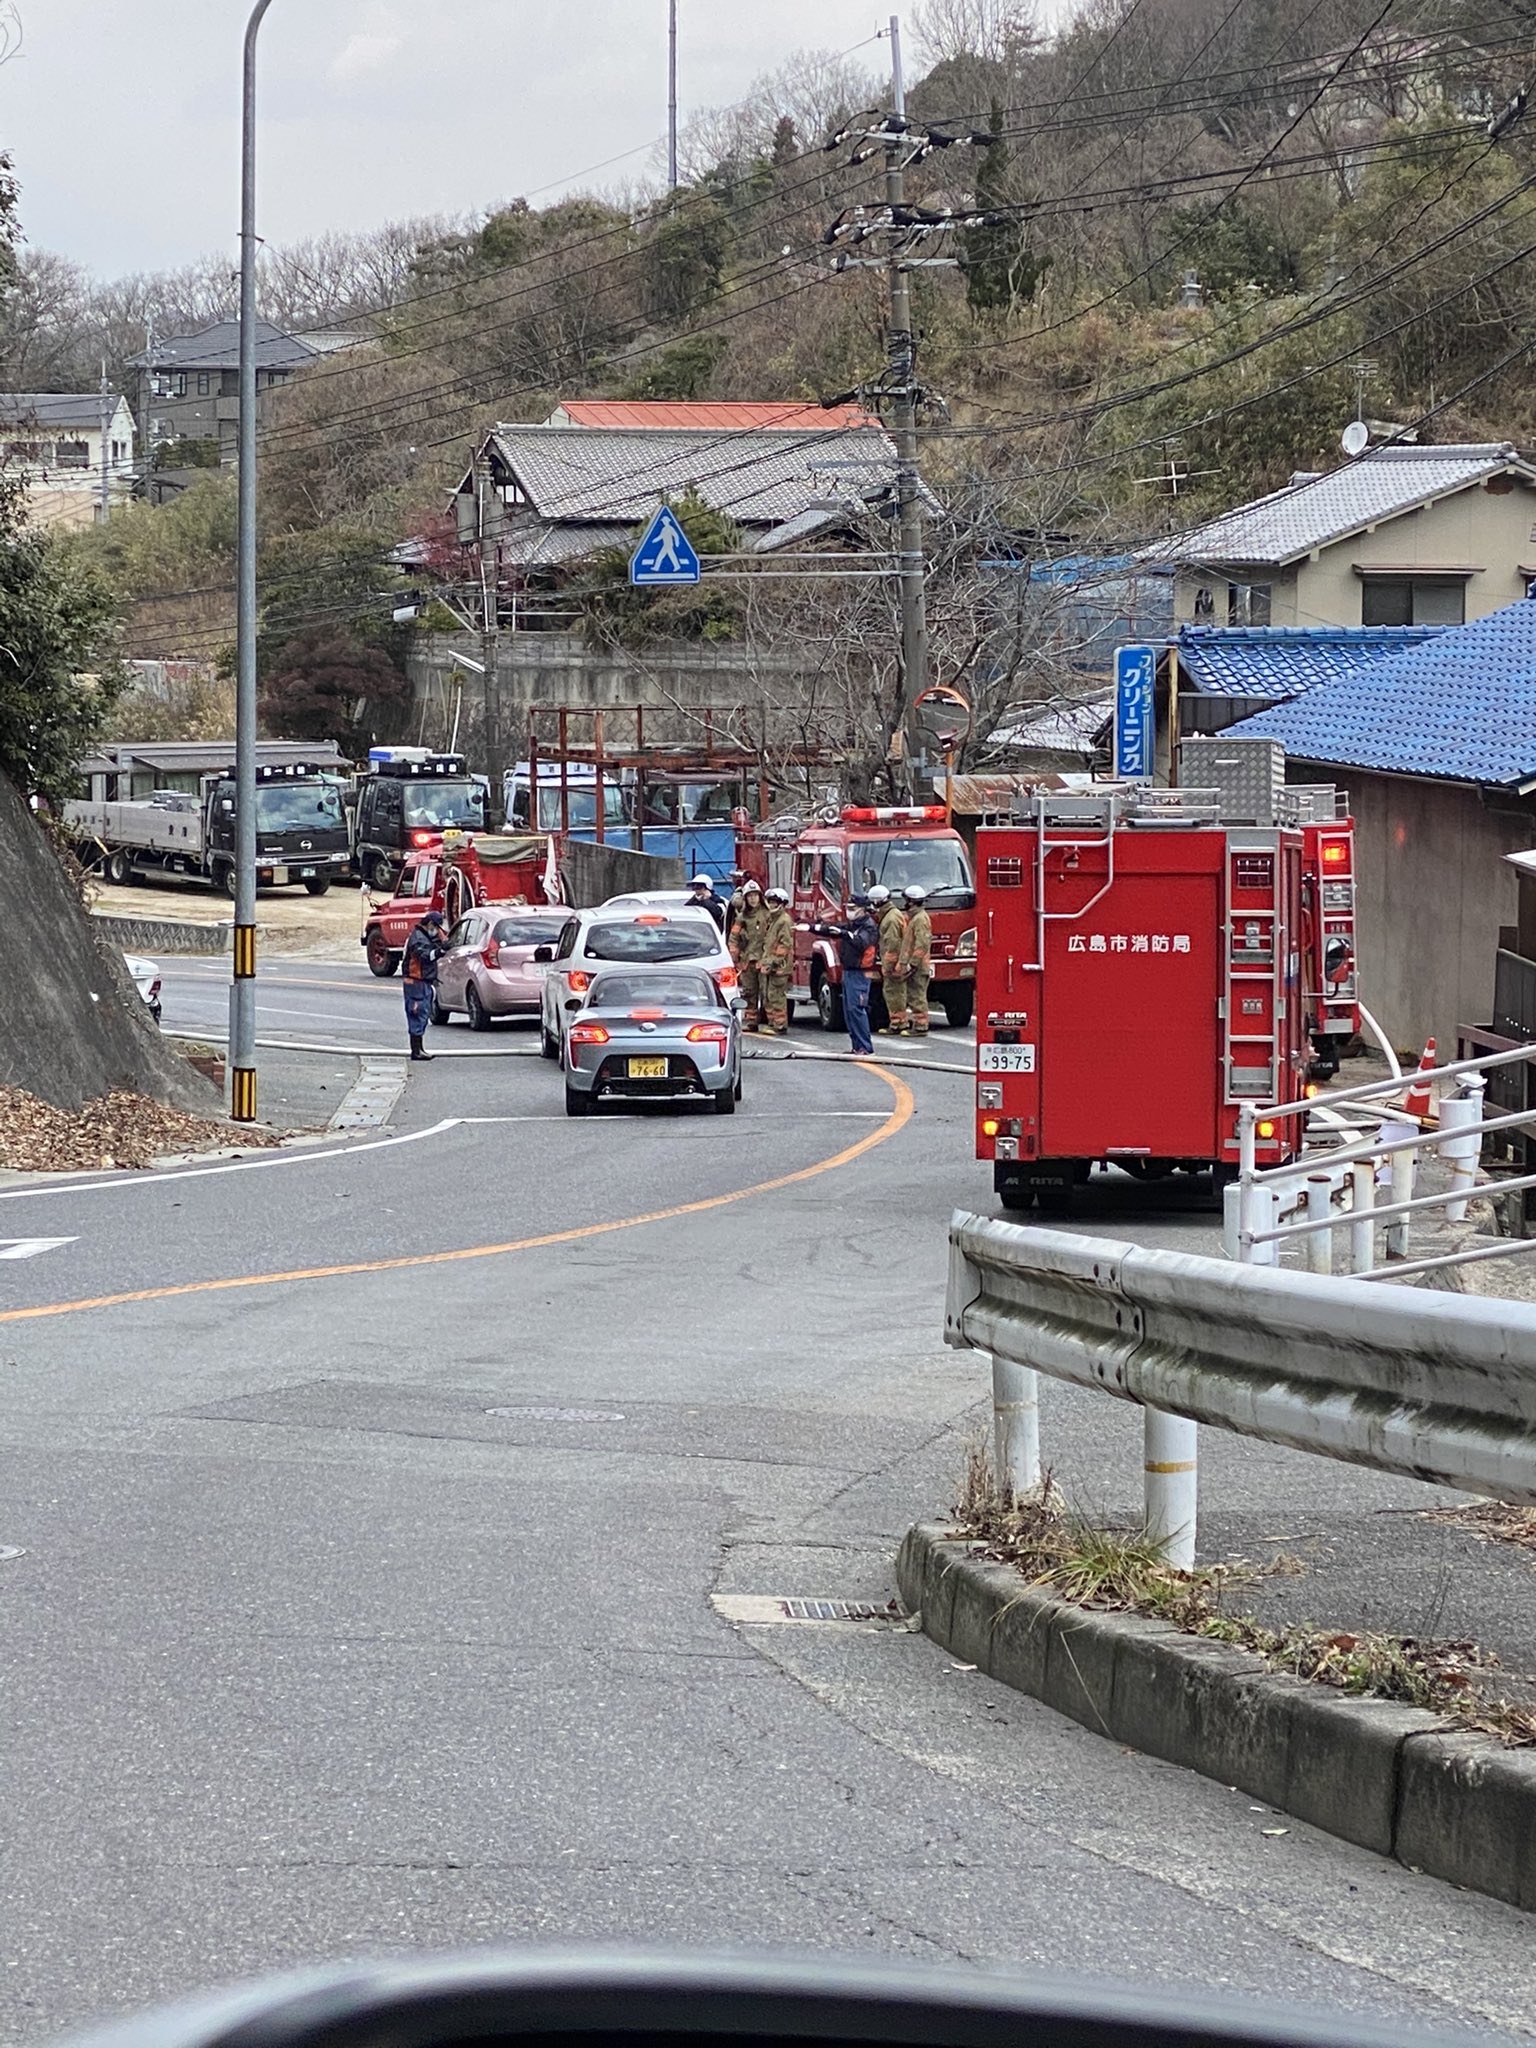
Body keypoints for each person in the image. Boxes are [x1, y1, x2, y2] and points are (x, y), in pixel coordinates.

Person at [810, 891, 878, 1056]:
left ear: (863, 909)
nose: (850, 911)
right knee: (849, 1011)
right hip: (849, 971)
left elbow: (860, 942)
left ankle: (865, 1047)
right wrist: (814, 928)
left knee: (857, 1009)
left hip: (861, 973)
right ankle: (857, 1046)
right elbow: (835, 929)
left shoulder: (868, 926)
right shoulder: (853, 925)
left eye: (853, 908)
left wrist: (844, 934)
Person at [402, 909, 449, 1062]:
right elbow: (425, 956)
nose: (436, 931)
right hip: (416, 982)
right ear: (430, 924)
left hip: (421, 981)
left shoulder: (422, 936)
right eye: (436, 927)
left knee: (422, 1014)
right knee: (417, 1013)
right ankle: (416, 1051)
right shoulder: (418, 939)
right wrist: (440, 951)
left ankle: (419, 1049)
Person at [731, 877, 768, 1031]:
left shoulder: (768, 915)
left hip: (764, 959)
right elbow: (733, 938)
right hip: (747, 961)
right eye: (750, 896)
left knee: (767, 992)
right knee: (749, 992)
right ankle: (752, 1022)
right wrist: (735, 959)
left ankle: (771, 1022)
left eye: (755, 895)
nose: (753, 899)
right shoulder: (742, 918)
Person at [759, 887, 796, 1036]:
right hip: (771, 965)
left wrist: (774, 962)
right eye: (770, 902)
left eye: (775, 902)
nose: (772, 905)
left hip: (780, 967)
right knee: (769, 995)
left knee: (776, 996)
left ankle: (780, 1025)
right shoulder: (773, 920)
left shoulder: (784, 921)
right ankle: (773, 1023)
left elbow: (784, 945)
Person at [899, 884, 933, 1036]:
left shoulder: (920, 919)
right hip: (916, 964)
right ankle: (919, 1023)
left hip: (918, 966)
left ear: (912, 901)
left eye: (907, 900)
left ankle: (920, 1026)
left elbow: (922, 944)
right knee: (914, 994)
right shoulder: (915, 918)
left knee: (917, 995)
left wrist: (913, 963)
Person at [876, 887, 909, 1036]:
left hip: (894, 964)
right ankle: (899, 1022)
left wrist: (888, 966)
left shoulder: (890, 919)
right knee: (897, 992)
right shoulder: (893, 914)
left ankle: (898, 1023)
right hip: (898, 962)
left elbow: (892, 944)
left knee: (893, 992)